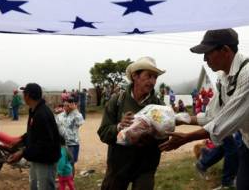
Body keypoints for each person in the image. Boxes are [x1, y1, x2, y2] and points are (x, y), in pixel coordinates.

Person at [159, 28, 249, 190]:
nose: (204, 58)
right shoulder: (224, 78)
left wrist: (186, 138)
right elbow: (211, 116)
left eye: (208, 52)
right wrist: (177, 119)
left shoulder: (247, 75)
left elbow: (222, 124)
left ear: (225, 50)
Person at [97, 56, 166, 190]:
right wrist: (119, 127)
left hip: (145, 168)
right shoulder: (117, 101)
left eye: (155, 77)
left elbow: (165, 138)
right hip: (118, 167)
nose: (152, 81)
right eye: (149, 76)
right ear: (135, 76)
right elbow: (103, 132)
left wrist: (152, 134)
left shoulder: (159, 106)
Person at [7, 83, 61, 190]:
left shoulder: (42, 114)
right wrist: (21, 139)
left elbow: (45, 143)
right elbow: (34, 132)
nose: (23, 95)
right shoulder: (34, 110)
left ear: (28, 96)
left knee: (45, 187)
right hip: (36, 157)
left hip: (45, 160)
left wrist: (22, 153)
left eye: (24, 93)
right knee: (34, 185)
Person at [56, 98, 84, 176]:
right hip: (61, 144)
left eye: (67, 105)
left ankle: (70, 180)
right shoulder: (59, 116)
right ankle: (62, 180)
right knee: (61, 162)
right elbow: (55, 127)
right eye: (64, 105)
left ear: (72, 105)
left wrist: (75, 110)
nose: (65, 107)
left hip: (73, 144)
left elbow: (80, 122)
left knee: (71, 163)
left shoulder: (77, 115)